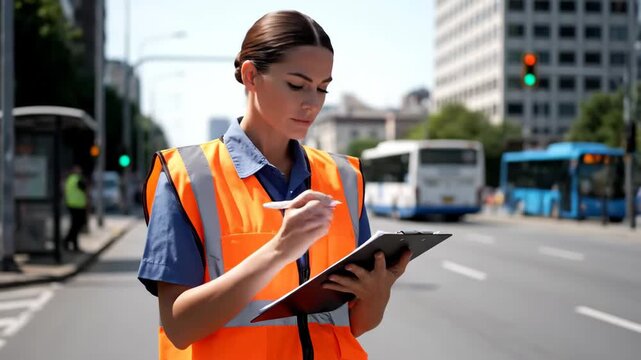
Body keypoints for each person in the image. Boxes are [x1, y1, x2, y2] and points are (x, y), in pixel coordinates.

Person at [138, 10, 412, 360]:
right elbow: (179, 327)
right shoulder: (185, 177)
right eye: (297, 85)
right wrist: (279, 250)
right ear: (251, 76)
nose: (312, 103)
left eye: (323, 88)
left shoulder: (345, 178)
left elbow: (353, 324)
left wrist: (378, 295)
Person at [64, 165, 87, 252]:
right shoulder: (78, 179)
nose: (80, 171)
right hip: (78, 206)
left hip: (72, 204)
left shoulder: (70, 179)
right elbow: (85, 188)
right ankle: (68, 241)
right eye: (78, 169)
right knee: (77, 225)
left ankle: (72, 243)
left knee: (75, 225)